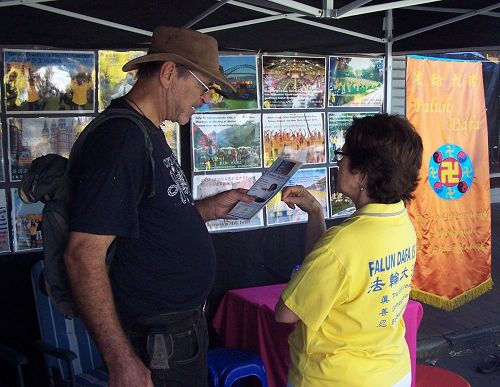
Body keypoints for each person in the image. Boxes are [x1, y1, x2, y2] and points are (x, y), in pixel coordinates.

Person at [64, 26, 254, 387]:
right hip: (155, 347)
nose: (206, 98)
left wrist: (208, 209)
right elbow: (82, 255)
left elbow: (150, 222)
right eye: (203, 86)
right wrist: (121, 360)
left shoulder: (146, 132)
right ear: (169, 73)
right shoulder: (122, 139)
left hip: (177, 339)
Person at [275, 114, 423, 386]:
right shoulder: (402, 221)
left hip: (336, 378)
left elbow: (286, 313)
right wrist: (316, 213)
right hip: (392, 371)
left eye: (343, 154)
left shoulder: (342, 243)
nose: (339, 161)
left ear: (363, 173)